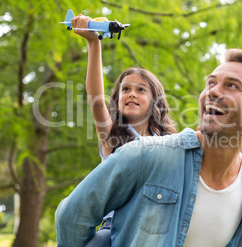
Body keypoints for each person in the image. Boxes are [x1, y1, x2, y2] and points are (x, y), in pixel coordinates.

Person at [55, 48, 242, 246]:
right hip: (111, 227)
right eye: (211, 83)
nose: (213, 92)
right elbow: (71, 217)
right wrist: (94, 43)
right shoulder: (140, 150)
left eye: (232, 85)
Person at [69, 15, 177, 245]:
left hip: (154, 229)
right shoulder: (113, 137)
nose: (131, 94)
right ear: (117, 99)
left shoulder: (168, 142)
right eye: (125, 89)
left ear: (155, 101)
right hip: (115, 229)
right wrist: (94, 43)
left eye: (141, 90)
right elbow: (96, 101)